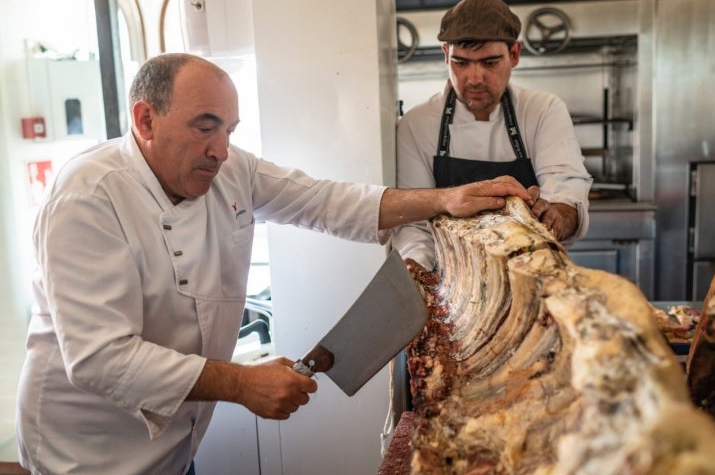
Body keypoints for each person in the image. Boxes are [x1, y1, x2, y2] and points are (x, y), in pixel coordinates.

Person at [15, 52, 534, 474]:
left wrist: (444, 200)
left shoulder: (226, 167)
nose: (220, 150)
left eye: (229, 130)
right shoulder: (88, 197)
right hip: (88, 452)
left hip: (178, 441)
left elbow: (326, 201)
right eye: (205, 127)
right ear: (145, 119)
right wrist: (242, 383)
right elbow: (99, 358)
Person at [392, 0, 593, 271]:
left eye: (489, 63)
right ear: (445, 55)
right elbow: (415, 225)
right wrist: (419, 273)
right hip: (451, 282)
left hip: (531, 273)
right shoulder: (416, 125)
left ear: (514, 54)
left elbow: (567, 192)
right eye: (461, 63)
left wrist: (555, 217)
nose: (474, 78)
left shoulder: (543, 110)